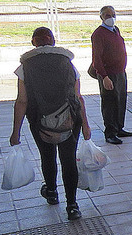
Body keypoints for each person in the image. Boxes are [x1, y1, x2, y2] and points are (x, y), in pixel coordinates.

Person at [10, 27, 92, 221]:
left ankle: (52, 192)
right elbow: (78, 97)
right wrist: (86, 126)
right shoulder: (67, 63)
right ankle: (72, 206)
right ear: (53, 41)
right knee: (68, 160)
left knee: (47, 157)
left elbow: (22, 101)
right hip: (70, 121)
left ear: (33, 43)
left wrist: (16, 132)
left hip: (40, 122)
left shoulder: (25, 67)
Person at [90, 5, 132, 145]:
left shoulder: (115, 30)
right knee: (109, 102)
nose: (111, 17)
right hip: (108, 74)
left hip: (120, 72)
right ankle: (110, 132)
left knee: (120, 100)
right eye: (107, 15)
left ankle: (119, 128)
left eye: (113, 14)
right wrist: (104, 76)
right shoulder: (98, 34)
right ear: (101, 17)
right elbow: (97, 58)